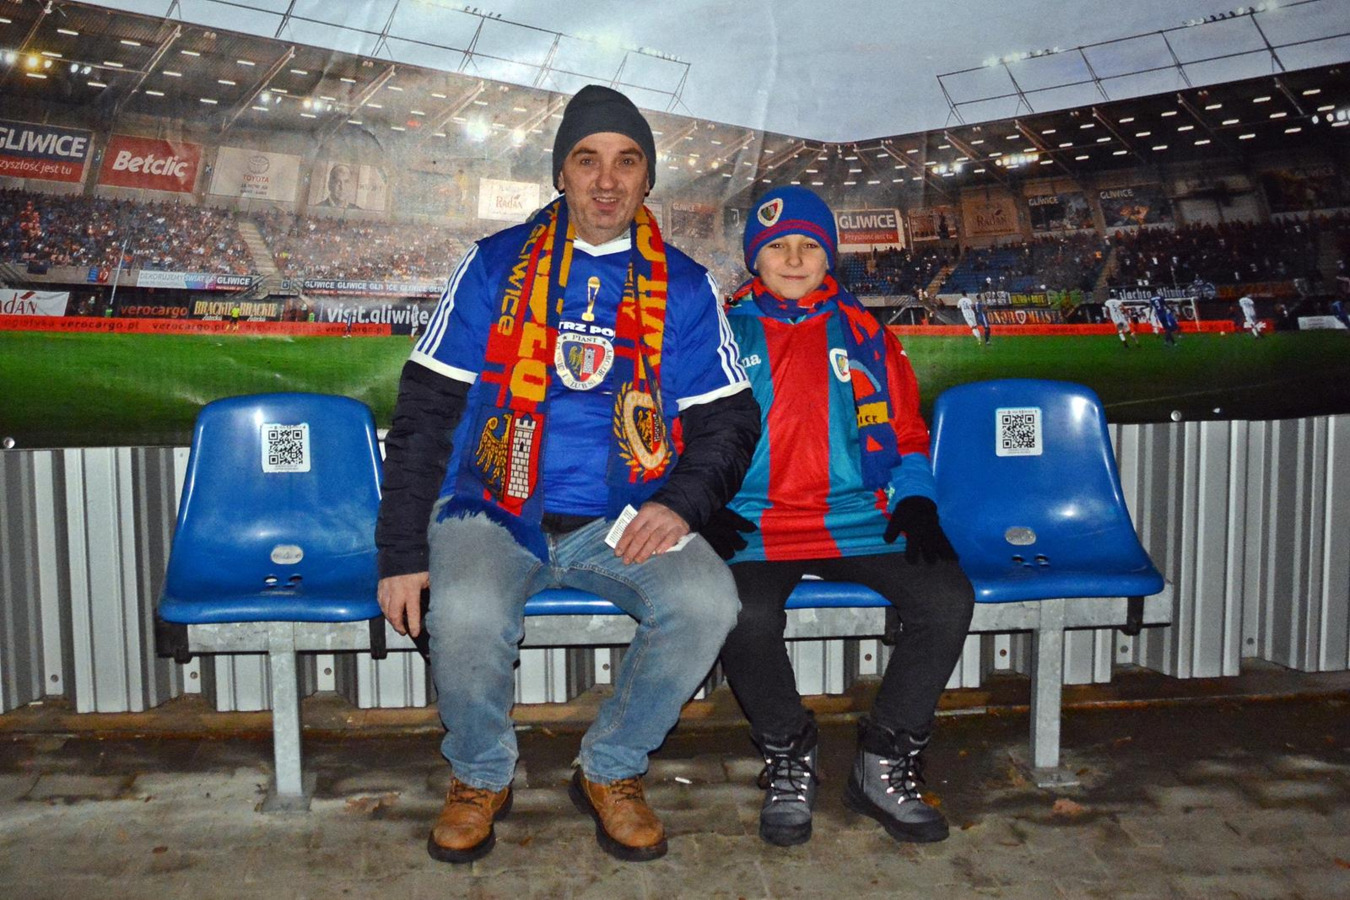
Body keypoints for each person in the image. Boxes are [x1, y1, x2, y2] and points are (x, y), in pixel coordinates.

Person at [375, 85, 760, 865]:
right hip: (493, 509)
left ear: (648, 178)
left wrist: (679, 505)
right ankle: (480, 775)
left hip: (620, 517)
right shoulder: (494, 264)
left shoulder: (685, 286)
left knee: (708, 602)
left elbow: (728, 420)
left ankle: (612, 767)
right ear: (561, 174)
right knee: (466, 612)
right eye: (587, 160)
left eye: (627, 161)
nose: (607, 181)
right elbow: (425, 409)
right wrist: (401, 551)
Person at [702, 187, 975, 848]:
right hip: (758, 523)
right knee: (740, 613)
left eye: (809, 246)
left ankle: (883, 761)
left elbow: (905, 433)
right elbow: (688, 434)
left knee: (946, 598)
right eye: (778, 247)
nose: (794, 259)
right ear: (754, 259)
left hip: (858, 517)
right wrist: (702, 507)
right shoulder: (720, 334)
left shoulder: (866, 335)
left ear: (829, 257)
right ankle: (789, 750)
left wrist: (916, 500)